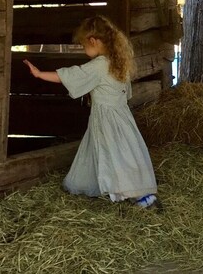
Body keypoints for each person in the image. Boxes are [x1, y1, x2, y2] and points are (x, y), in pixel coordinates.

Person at [23, 16, 159, 209]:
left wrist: (39, 74)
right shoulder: (118, 61)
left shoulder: (100, 64)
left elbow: (74, 74)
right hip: (121, 116)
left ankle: (141, 196)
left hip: (107, 119)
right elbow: (124, 92)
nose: (82, 48)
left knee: (117, 155)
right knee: (121, 151)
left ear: (93, 40)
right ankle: (111, 187)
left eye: (82, 44)